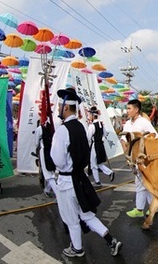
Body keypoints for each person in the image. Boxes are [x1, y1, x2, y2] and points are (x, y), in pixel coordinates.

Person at [50, 87, 122, 258]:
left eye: (61, 105)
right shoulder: (82, 127)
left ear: (65, 108)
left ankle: (77, 248)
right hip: (80, 179)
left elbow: (58, 160)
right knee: (87, 215)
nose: (59, 108)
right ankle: (111, 240)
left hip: (68, 182)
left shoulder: (62, 130)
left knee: (72, 219)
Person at [120, 99, 158, 218]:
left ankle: (140, 208)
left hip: (143, 158)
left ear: (136, 110)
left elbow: (154, 136)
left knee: (141, 182)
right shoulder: (127, 123)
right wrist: (126, 152)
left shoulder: (144, 122)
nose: (127, 111)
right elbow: (123, 139)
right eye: (127, 108)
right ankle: (152, 207)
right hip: (132, 158)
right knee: (143, 182)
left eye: (129, 108)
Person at [87, 106, 115, 187]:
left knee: (93, 164)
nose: (89, 116)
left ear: (92, 115)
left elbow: (88, 137)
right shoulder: (101, 125)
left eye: (89, 115)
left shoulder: (92, 126)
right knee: (97, 163)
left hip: (94, 146)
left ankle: (98, 181)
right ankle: (109, 172)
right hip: (100, 145)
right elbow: (105, 134)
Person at [33, 120, 56, 198]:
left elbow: (36, 143)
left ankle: (59, 195)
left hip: (44, 151)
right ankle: (47, 190)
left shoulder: (40, 128)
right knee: (51, 172)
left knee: (48, 174)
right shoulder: (51, 126)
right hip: (52, 150)